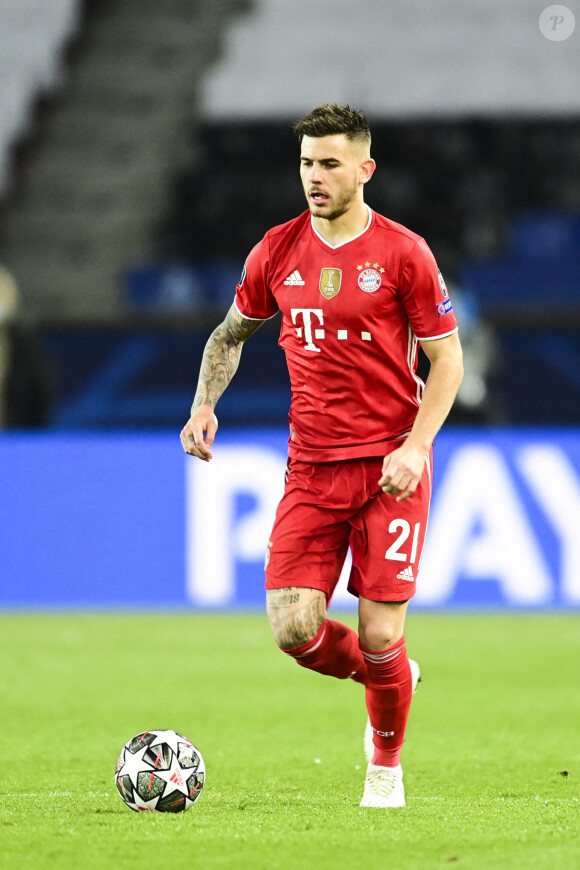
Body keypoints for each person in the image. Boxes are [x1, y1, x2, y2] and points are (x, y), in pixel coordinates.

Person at [181, 104, 463, 808]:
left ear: (364, 169)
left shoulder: (404, 254)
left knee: (376, 631)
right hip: (311, 466)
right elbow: (229, 335)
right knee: (293, 628)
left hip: (389, 470)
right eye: (307, 162)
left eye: (330, 163)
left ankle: (385, 767)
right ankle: (393, 680)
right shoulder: (276, 250)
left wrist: (416, 445)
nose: (315, 176)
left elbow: (447, 360)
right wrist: (203, 405)